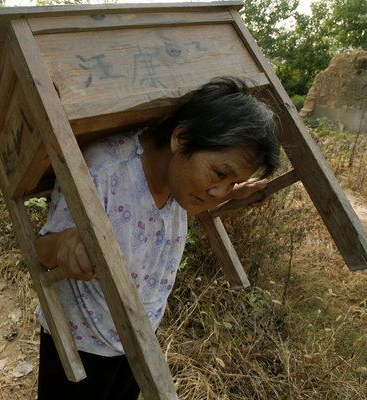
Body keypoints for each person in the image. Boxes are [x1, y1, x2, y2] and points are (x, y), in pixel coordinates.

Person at [33, 77, 281, 399]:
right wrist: (65, 244)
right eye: (220, 174)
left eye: (232, 181)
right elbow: (42, 249)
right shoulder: (102, 171)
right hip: (82, 345)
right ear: (182, 137)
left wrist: (232, 194)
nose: (219, 190)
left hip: (140, 338)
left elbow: (152, 216)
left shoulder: (183, 182)